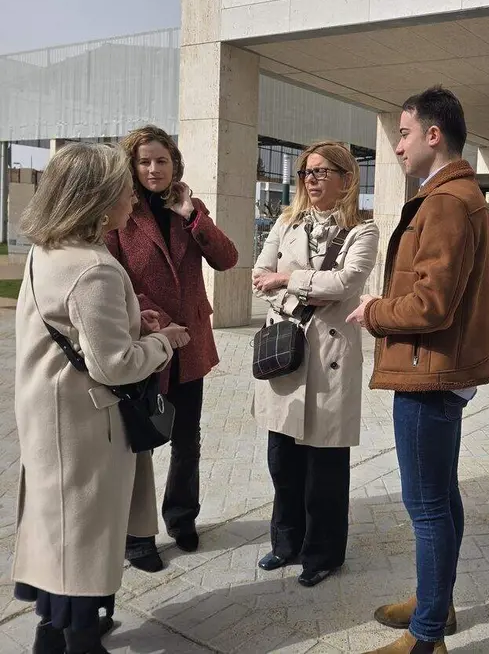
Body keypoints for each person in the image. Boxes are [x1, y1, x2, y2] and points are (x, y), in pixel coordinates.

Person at [13, 143, 190, 654]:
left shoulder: (46, 249)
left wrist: (134, 322)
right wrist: (162, 342)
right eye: (123, 189)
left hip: (50, 415)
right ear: (96, 197)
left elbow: (74, 328)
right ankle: (79, 640)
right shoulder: (94, 267)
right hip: (85, 425)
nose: (133, 199)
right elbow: (113, 364)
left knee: (56, 533)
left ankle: (53, 631)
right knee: (82, 541)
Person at [346, 87, 489, 654]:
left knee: (427, 505)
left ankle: (425, 637)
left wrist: (373, 312)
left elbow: (430, 304)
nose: (395, 146)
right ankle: (436, 602)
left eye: (404, 133)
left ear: (433, 136)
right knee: (442, 497)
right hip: (439, 369)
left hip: (429, 372)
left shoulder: (444, 201)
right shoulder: (456, 195)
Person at [105, 125, 238, 571]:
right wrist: (157, 323)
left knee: (187, 441)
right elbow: (113, 277)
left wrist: (192, 217)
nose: (153, 169)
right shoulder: (120, 213)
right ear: (133, 165)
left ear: (175, 165)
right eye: (144, 161)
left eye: (162, 160)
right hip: (145, 344)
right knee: (137, 444)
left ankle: (182, 517)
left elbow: (227, 259)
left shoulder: (190, 208)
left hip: (190, 346)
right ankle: (136, 534)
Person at [252, 141, 379, 587]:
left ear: (347, 178)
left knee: (323, 467)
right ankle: (286, 543)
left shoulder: (364, 229)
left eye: (323, 171)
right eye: (307, 171)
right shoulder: (286, 221)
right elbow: (258, 274)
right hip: (285, 351)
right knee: (282, 460)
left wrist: (287, 279)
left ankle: (323, 554)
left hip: (329, 358)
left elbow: (345, 283)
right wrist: (300, 287)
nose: (311, 178)